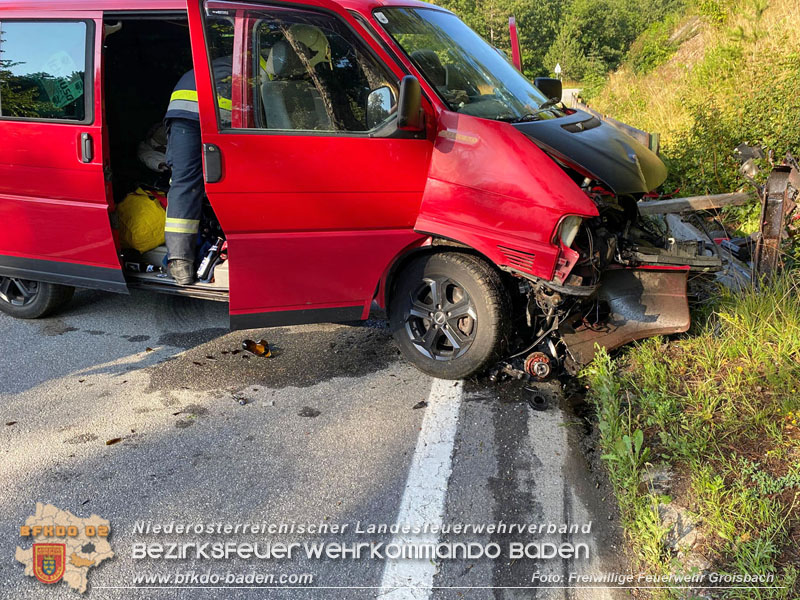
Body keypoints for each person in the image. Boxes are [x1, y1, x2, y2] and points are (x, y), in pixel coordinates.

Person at [163, 56, 232, 285]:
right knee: (187, 183)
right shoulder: (265, 63)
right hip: (194, 116)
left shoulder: (247, 55)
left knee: (185, 184)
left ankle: (181, 262)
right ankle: (180, 260)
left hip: (184, 112)